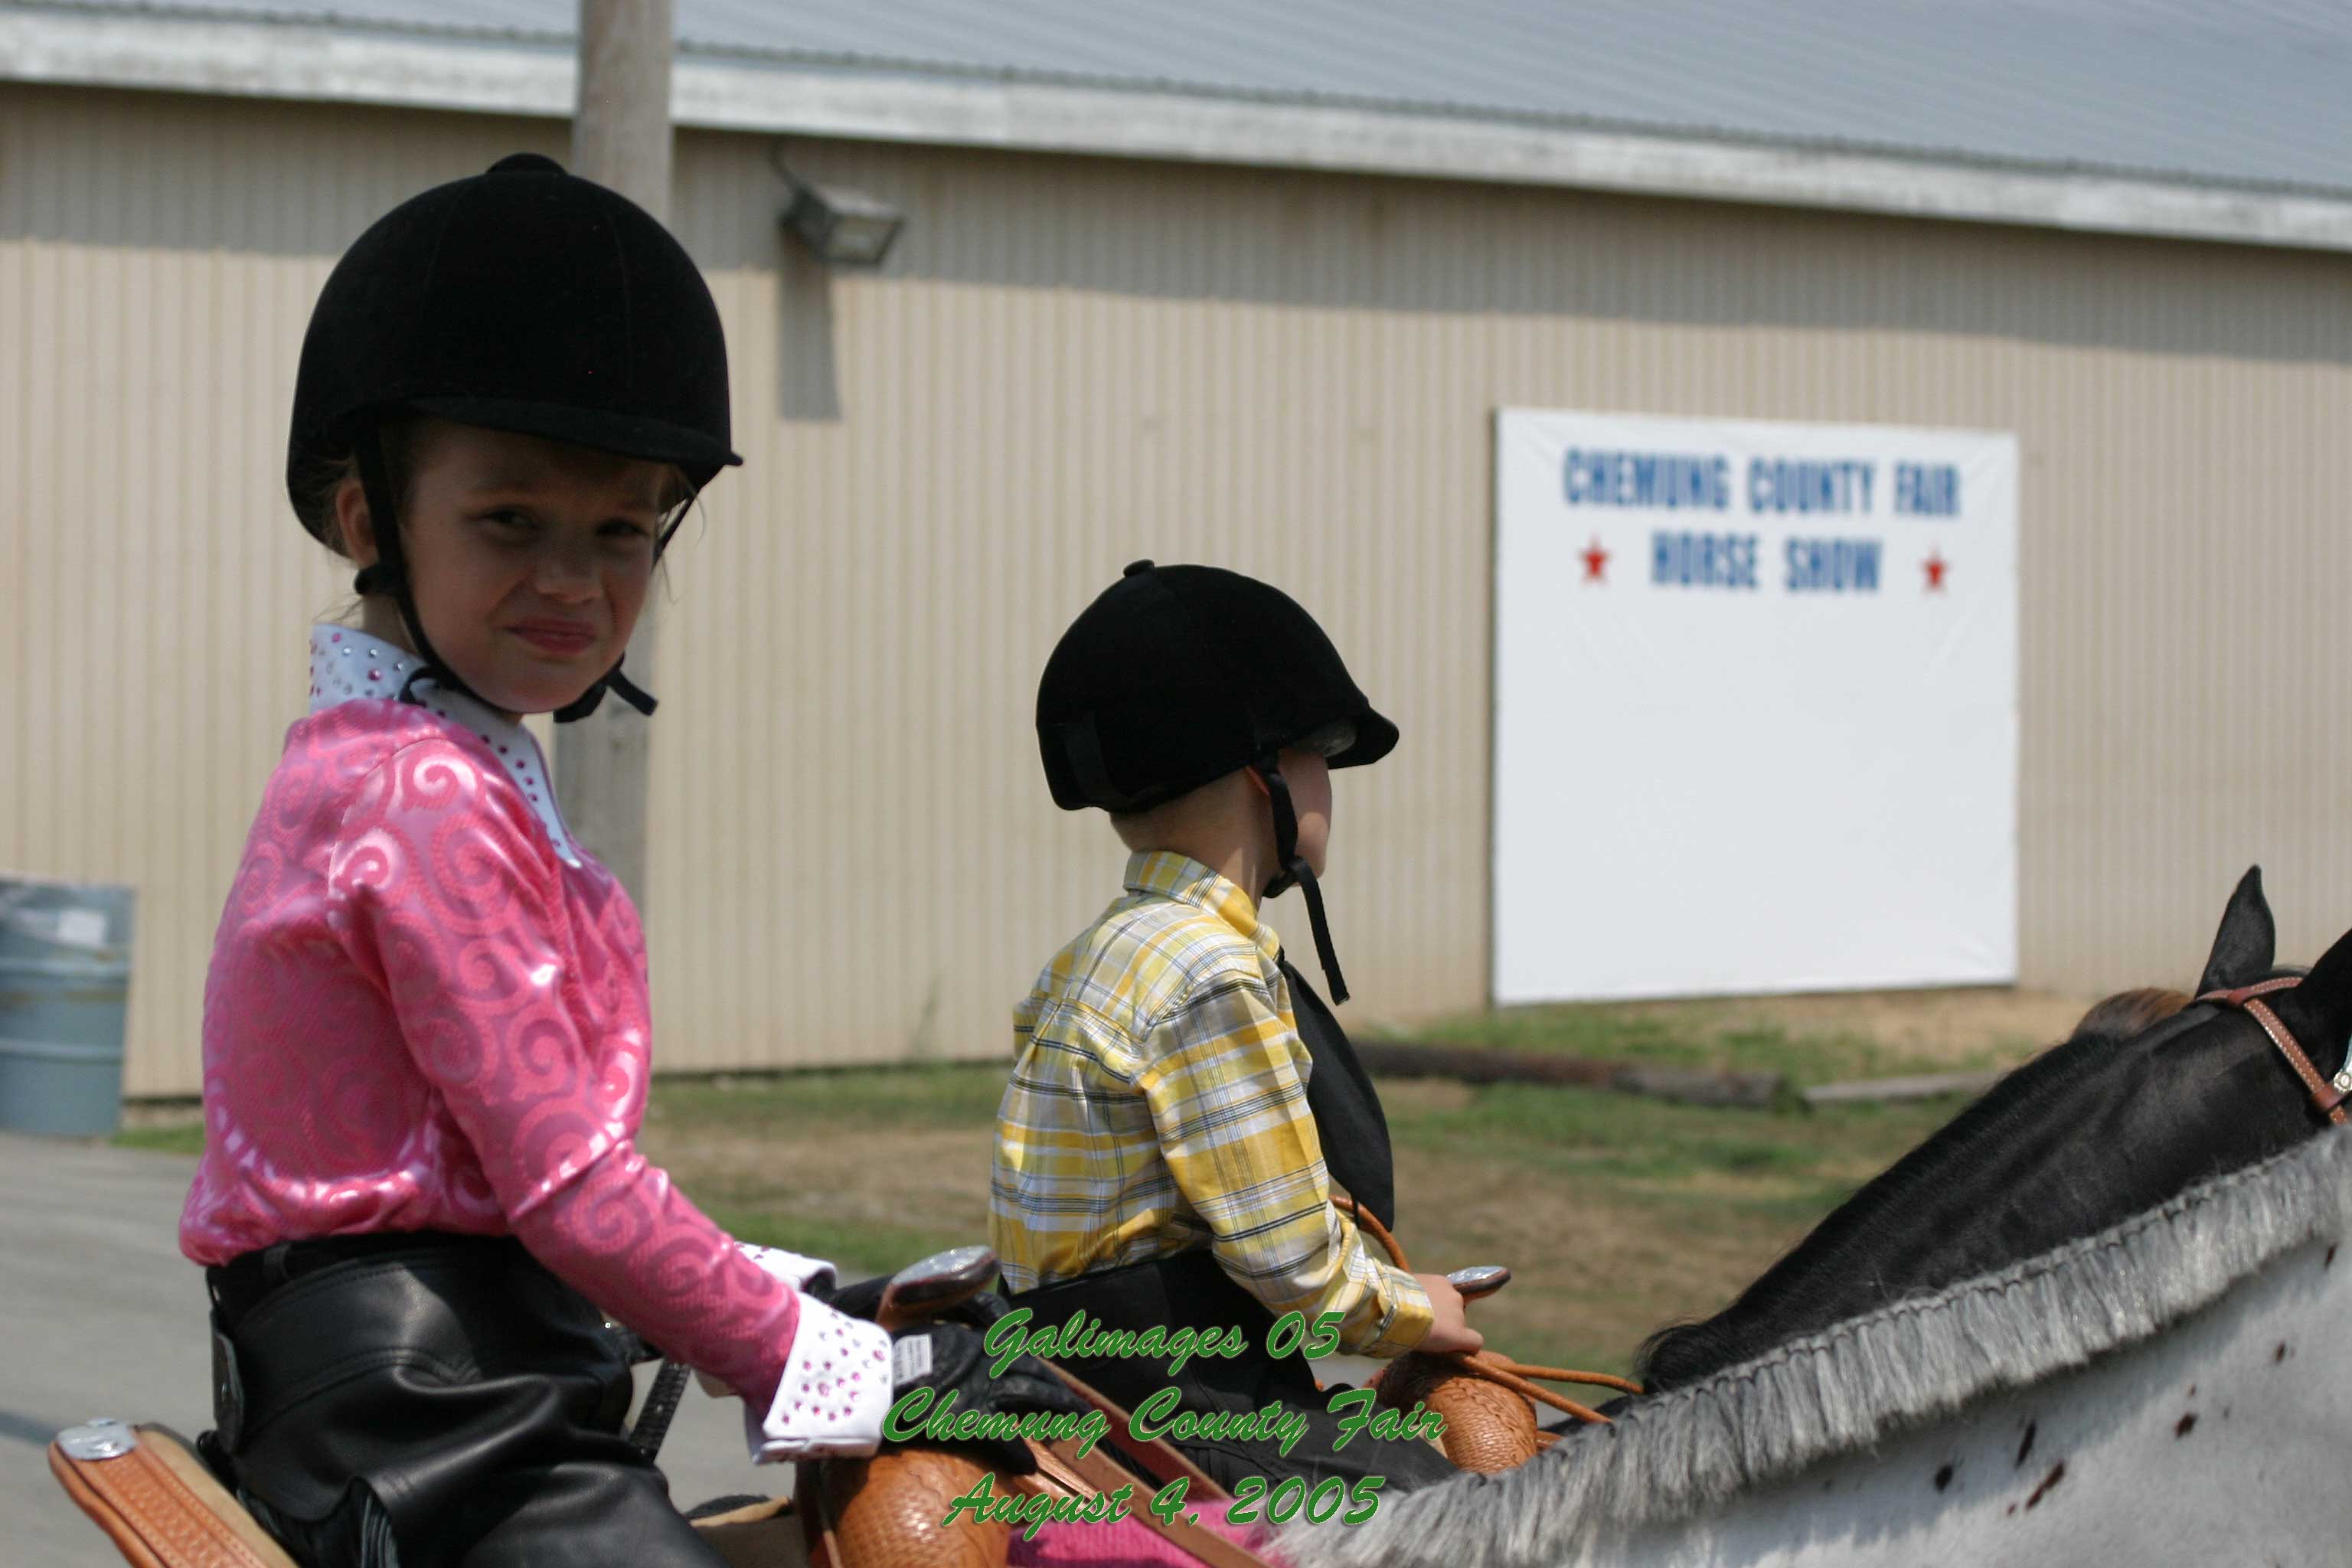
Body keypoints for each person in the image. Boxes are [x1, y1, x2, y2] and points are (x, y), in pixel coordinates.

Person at [178, 153, 1076, 1568]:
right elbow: (567, 1186)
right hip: (425, 1406)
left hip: (460, 1352)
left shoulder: (426, 758)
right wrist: (818, 1356)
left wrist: (790, 1294)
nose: (573, 580)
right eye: (508, 520)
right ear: (369, 520)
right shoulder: (420, 790)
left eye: (620, 530)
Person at [991, 560, 1481, 1497]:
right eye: (1322, 751)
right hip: (1184, 1398)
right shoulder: (1209, 971)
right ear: (1266, 774)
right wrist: (1425, 1310)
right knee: (1473, 1523)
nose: (1329, 782)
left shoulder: (1098, 951)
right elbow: (1295, 1268)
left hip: (1076, 1374)